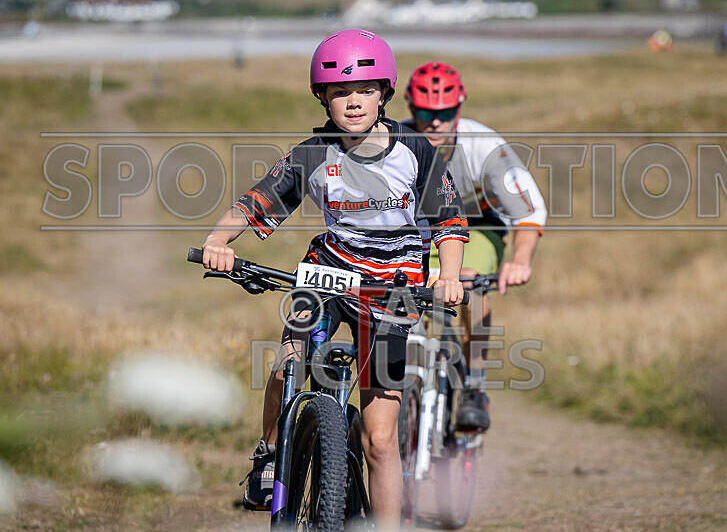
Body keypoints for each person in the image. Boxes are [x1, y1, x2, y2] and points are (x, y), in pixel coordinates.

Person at [200, 31, 468, 527]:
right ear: (322, 97)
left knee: (379, 438)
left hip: (395, 286)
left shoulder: (416, 152)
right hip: (329, 273)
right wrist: (219, 242)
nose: (352, 102)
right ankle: (268, 452)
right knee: (288, 364)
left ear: (385, 93)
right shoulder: (314, 152)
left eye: (365, 90)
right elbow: (256, 202)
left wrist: (448, 277)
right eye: (340, 92)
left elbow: (449, 223)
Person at [404, 61, 547, 431]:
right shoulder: (395, 143)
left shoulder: (485, 147)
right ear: (408, 108)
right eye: (424, 113)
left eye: (444, 113)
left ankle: (473, 385)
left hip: (476, 227)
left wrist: (519, 260)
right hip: (416, 229)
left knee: (469, 284)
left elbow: (528, 211)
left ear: (459, 110)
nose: (434, 123)